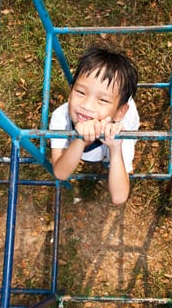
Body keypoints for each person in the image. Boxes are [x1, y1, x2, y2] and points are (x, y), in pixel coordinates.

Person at [49, 46, 140, 205]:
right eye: (81, 92)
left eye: (103, 100)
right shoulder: (61, 117)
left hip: (115, 137)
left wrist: (115, 149)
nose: (87, 105)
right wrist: (80, 140)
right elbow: (60, 173)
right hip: (89, 147)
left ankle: (111, 159)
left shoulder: (120, 133)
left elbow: (119, 197)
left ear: (120, 111)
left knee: (114, 161)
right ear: (70, 91)